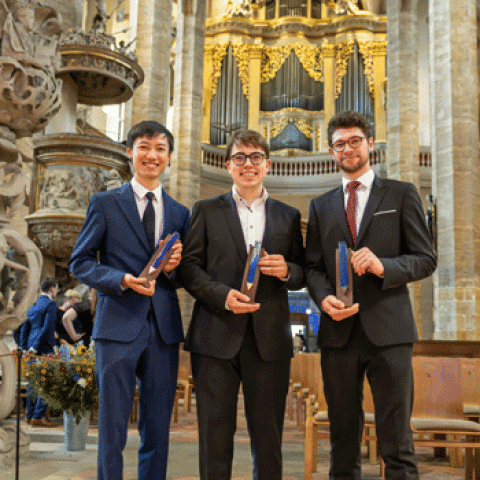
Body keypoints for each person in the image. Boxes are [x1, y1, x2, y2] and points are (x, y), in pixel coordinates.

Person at [305, 110, 436, 479]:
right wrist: (322, 298)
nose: (348, 148)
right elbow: (313, 267)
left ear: (370, 144)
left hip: (389, 333)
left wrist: (384, 267)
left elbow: (425, 259)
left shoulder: (401, 193)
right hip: (338, 334)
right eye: (340, 144)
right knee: (343, 443)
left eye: (355, 141)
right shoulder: (320, 206)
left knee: (396, 442)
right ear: (331, 152)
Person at [180, 129, 305, 480]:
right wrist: (222, 296)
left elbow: (303, 271)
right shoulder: (205, 210)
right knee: (214, 438)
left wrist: (286, 270)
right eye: (240, 157)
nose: (247, 164)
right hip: (215, 336)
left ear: (267, 165)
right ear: (228, 165)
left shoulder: (288, 216)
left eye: (255, 158)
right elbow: (189, 268)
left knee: (268, 441)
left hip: (269, 340)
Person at [68, 120, 190, 480]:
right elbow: (80, 261)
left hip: (163, 329)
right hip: (117, 323)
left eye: (160, 149)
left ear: (168, 156)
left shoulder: (180, 212)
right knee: (113, 426)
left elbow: (182, 277)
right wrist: (119, 278)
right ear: (130, 152)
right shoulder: (105, 203)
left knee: (157, 429)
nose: (152, 155)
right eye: (144, 147)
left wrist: (174, 267)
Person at [21, 277, 59, 427]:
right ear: (51, 289)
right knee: (46, 382)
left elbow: (25, 327)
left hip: (31, 345)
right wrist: (35, 348)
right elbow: (47, 328)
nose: (56, 291)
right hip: (44, 348)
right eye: (56, 289)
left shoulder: (34, 304)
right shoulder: (50, 304)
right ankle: (39, 416)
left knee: (33, 382)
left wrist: (25, 347)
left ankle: (28, 415)